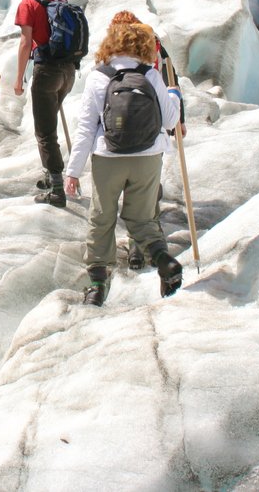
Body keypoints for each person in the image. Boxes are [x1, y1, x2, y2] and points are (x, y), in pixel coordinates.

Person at [63, 19, 183, 307]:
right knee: (142, 218)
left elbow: (86, 128)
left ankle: (96, 286)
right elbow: (170, 121)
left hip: (108, 157)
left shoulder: (99, 77)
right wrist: (174, 96)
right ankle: (163, 260)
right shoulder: (151, 76)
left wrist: (73, 172)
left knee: (102, 217)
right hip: (148, 157)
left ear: (110, 44)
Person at [109, 10, 187, 270]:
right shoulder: (156, 46)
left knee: (132, 186)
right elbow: (172, 81)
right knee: (148, 183)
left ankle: (136, 244)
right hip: (153, 123)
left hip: (122, 128)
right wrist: (179, 118)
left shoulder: (119, 51)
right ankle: (149, 239)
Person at [13, 0, 76, 207]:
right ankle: (51, 175)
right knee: (49, 124)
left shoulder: (28, 4)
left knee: (45, 131)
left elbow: (25, 42)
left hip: (47, 71)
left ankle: (57, 189)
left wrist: (19, 78)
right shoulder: (58, 2)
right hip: (68, 72)